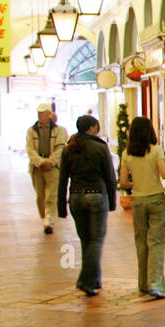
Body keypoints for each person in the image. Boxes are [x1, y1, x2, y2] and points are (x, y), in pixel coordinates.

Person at [119, 117, 165, 299]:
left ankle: (143, 283)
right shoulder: (156, 150)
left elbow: (122, 182)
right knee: (156, 242)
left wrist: (136, 182)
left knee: (141, 242)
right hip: (155, 199)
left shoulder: (126, 153)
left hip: (137, 200)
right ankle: (156, 284)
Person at [57, 115, 116, 296]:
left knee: (86, 240)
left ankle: (95, 279)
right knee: (96, 240)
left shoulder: (69, 149)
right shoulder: (99, 147)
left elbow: (62, 180)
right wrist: (112, 202)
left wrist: (61, 206)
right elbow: (110, 177)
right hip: (97, 196)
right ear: (91, 128)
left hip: (75, 197)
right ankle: (86, 280)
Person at [26, 102, 67, 235]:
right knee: (40, 195)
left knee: (51, 195)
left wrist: (50, 162)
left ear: (49, 114)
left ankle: (49, 221)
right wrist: (40, 162)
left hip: (53, 168)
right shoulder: (31, 131)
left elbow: (61, 148)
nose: (40, 116)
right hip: (37, 168)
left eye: (43, 113)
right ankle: (45, 217)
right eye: (39, 113)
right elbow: (30, 149)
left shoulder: (59, 130)